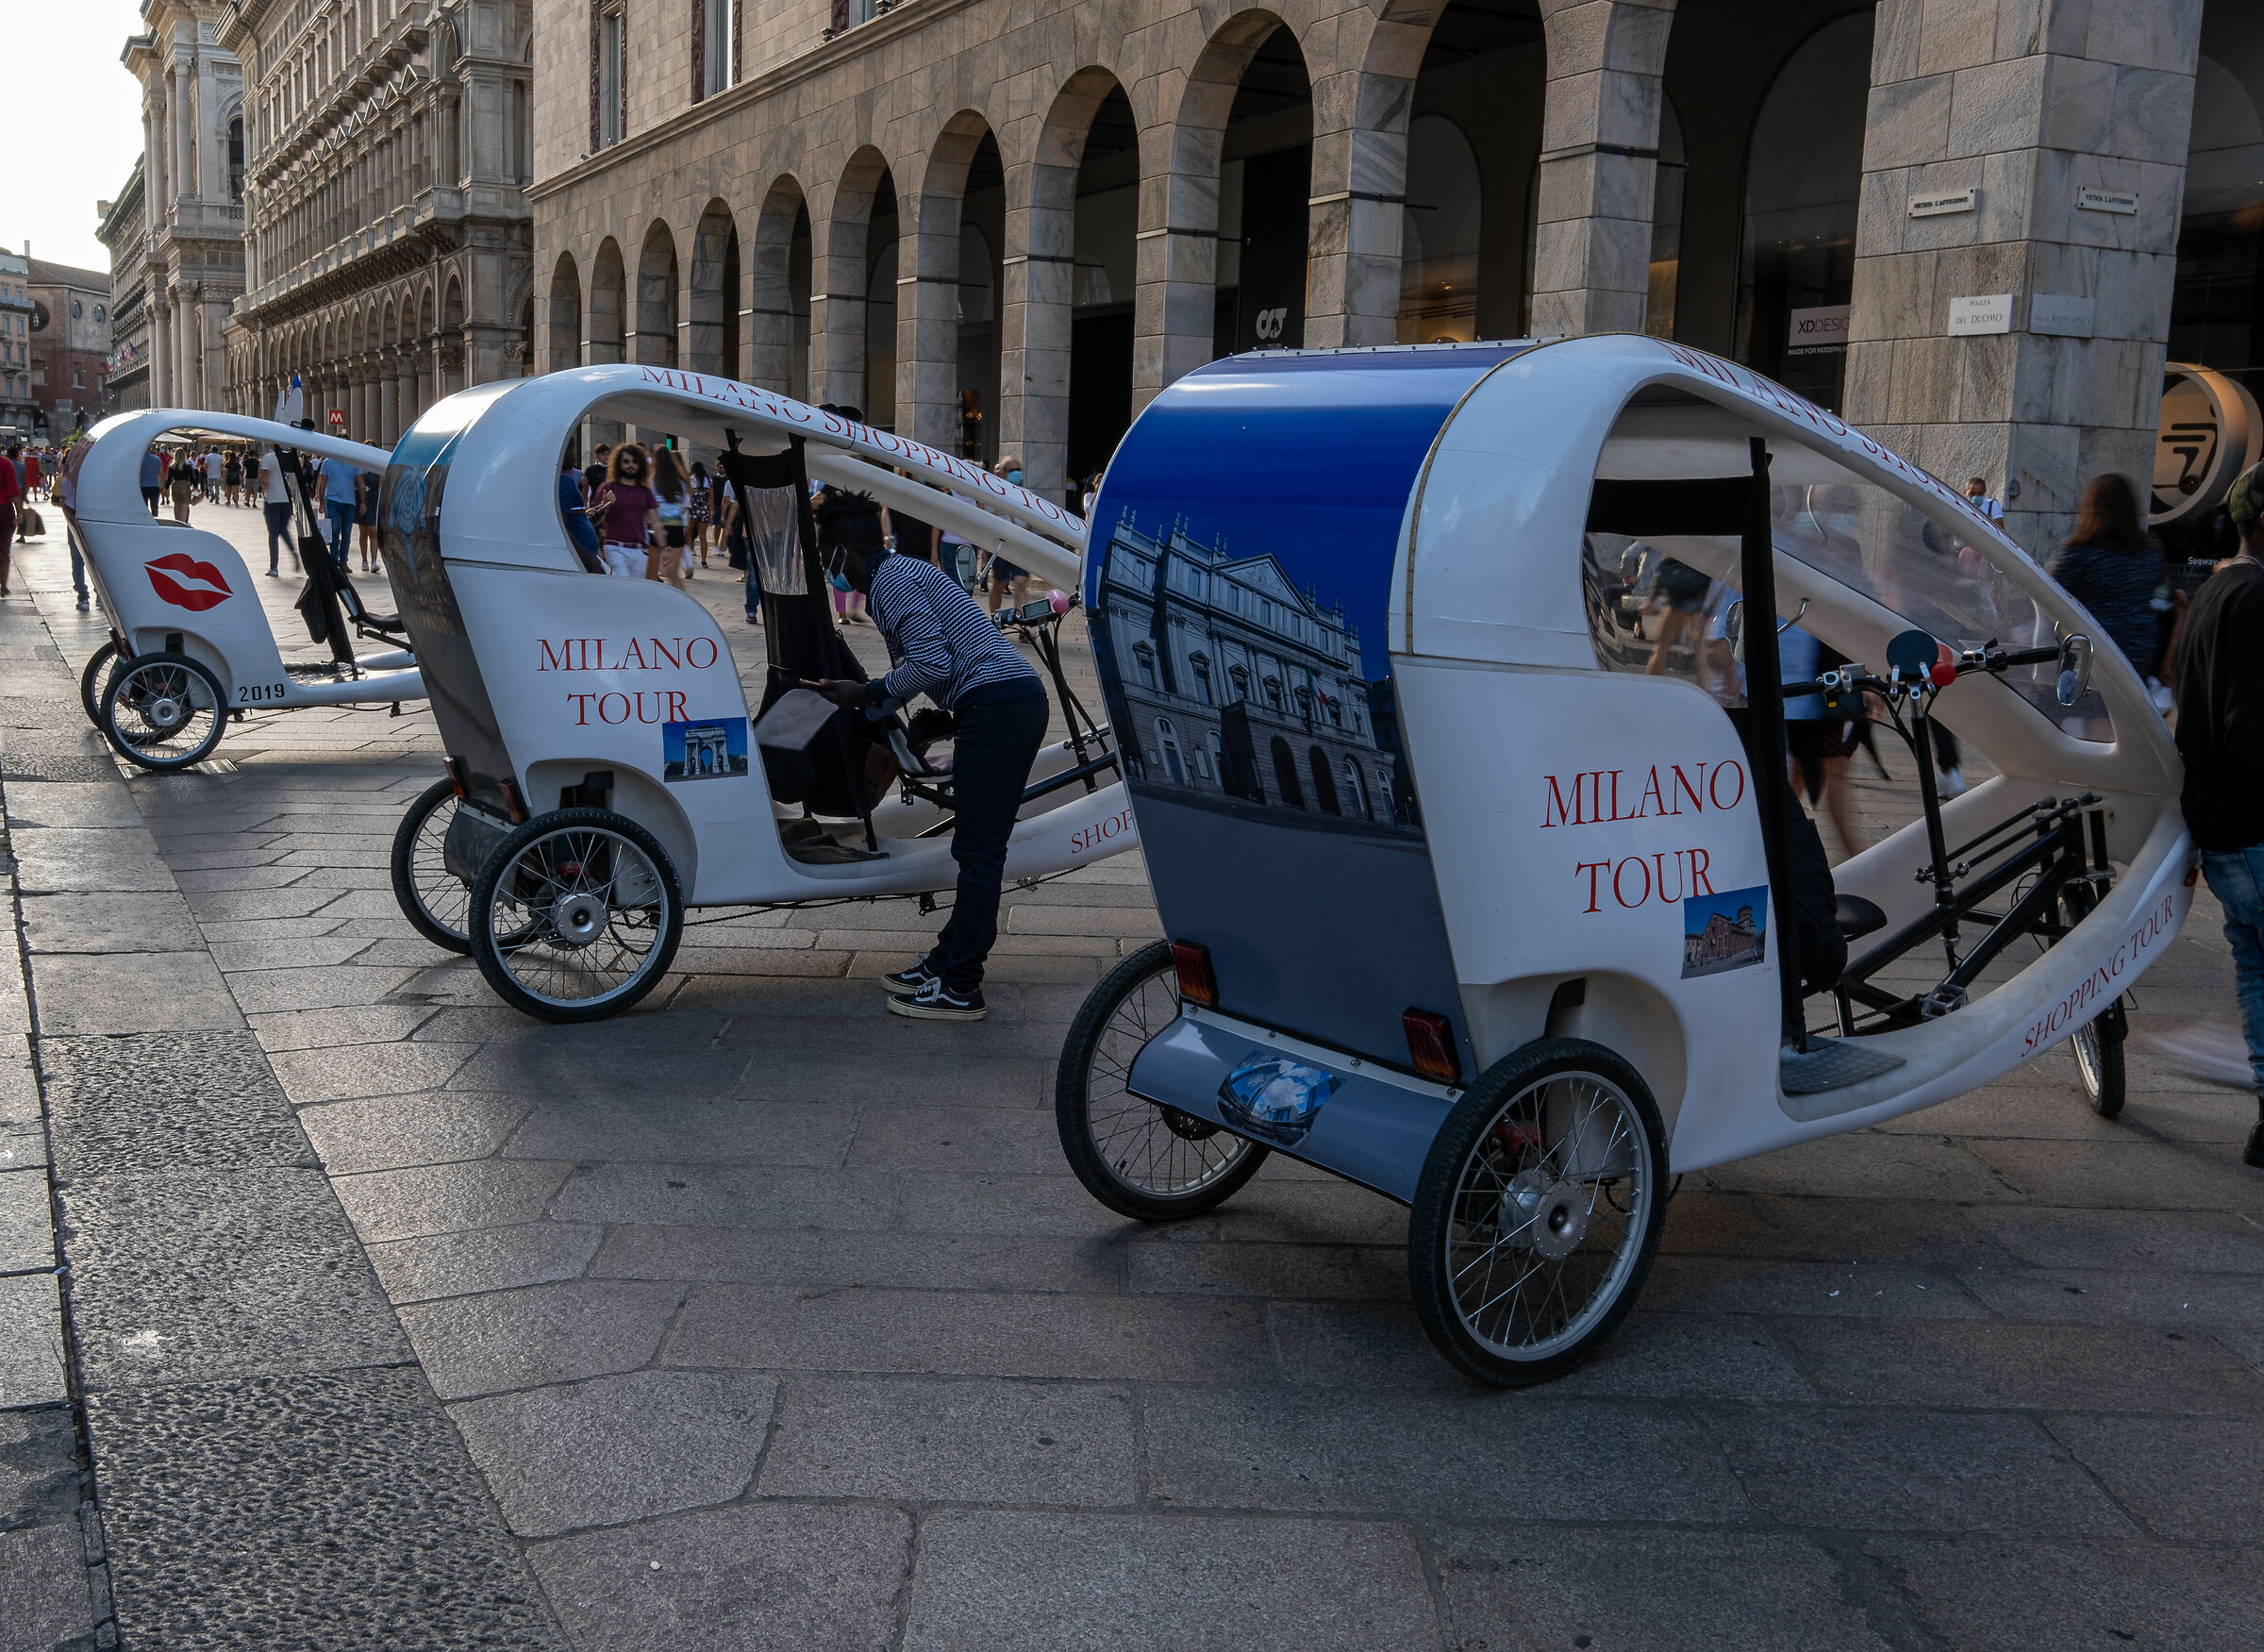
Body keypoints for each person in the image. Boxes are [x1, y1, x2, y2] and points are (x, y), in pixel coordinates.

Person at [811, 532, 1050, 1022]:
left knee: (980, 852)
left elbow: (931, 662)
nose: (829, 570)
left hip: (999, 705)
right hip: (1001, 700)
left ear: (846, 550)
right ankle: (947, 960)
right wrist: (892, 707)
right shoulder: (903, 571)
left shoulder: (889, 584)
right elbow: (945, 656)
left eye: (827, 556)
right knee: (975, 847)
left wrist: (866, 693)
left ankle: (962, 986)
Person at [2172, 461, 2264, 1171]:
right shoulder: (2256, 596)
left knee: (2256, 970)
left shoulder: (2212, 592)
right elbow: (2249, 728)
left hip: (2225, 824)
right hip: (2253, 824)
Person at [590, 442, 658, 577]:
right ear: (618, 464)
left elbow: (656, 523)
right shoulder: (608, 488)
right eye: (626, 461)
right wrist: (604, 505)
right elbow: (594, 522)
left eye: (634, 462)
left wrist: (665, 549)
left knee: (636, 592)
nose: (630, 465)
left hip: (639, 551)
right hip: (615, 548)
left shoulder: (645, 491)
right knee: (624, 586)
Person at [649, 447, 691, 589]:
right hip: (676, 529)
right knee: (674, 574)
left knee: (651, 574)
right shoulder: (681, 482)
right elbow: (685, 505)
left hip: (656, 529)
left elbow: (650, 506)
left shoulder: (653, 480)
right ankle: (685, 604)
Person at [317, 451, 363, 570]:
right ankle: (333, 560)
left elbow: (360, 483)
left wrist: (363, 501)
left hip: (349, 502)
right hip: (332, 500)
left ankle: (343, 561)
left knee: (347, 533)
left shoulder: (353, 463)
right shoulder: (327, 462)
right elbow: (322, 482)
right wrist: (321, 502)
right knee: (334, 531)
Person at [258, 444, 299, 576]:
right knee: (283, 530)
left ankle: (274, 566)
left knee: (273, 534)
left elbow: (263, 479)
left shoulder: (268, 458)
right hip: (286, 500)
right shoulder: (287, 457)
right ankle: (293, 552)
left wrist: (264, 487)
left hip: (273, 500)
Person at [558, 456, 605, 573]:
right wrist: (591, 560)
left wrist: (589, 520)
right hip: (582, 563)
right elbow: (561, 527)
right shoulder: (564, 482)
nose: (573, 454)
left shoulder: (567, 480)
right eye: (570, 448)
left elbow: (573, 518)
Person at [356, 466, 381, 574]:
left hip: (374, 501)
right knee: (363, 532)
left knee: (373, 531)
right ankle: (364, 560)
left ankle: (374, 561)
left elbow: (381, 487)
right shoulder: (359, 468)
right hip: (362, 499)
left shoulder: (378, 469)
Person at [0, 443, 18, 597]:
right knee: (4, 549)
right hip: (3, 510)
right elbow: (13, 489)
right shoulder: (5, 463)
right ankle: (3, 586)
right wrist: (20, 513)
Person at [688, 459, 712, 568]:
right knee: (703, 536)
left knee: (689, 533)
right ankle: (704, 560)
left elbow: (690, 494)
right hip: (704, 509)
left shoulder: (691, 479)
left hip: (693, 508)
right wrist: (711, 511)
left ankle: (690, 553)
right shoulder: (708, 480)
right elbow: (711, 497)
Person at [168, 449, 199, 523]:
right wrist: (195, 492)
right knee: (185, 505)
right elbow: (193, 480)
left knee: (177, 505)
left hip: (176, 486)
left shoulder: (172, 466)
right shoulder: (188, 467)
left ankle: (178, 521)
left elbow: (169, 479)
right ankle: (184, 522)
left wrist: (166, 489)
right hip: (185, 486)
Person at [140, 444, 165, 515]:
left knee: (144, 507)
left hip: (142, 486)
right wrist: (162, 486)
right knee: (154, 506)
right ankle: (155, 520)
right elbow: (162, 474)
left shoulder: (139, 459)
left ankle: (144, 521)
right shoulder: (157, 459)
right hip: (154, 486)